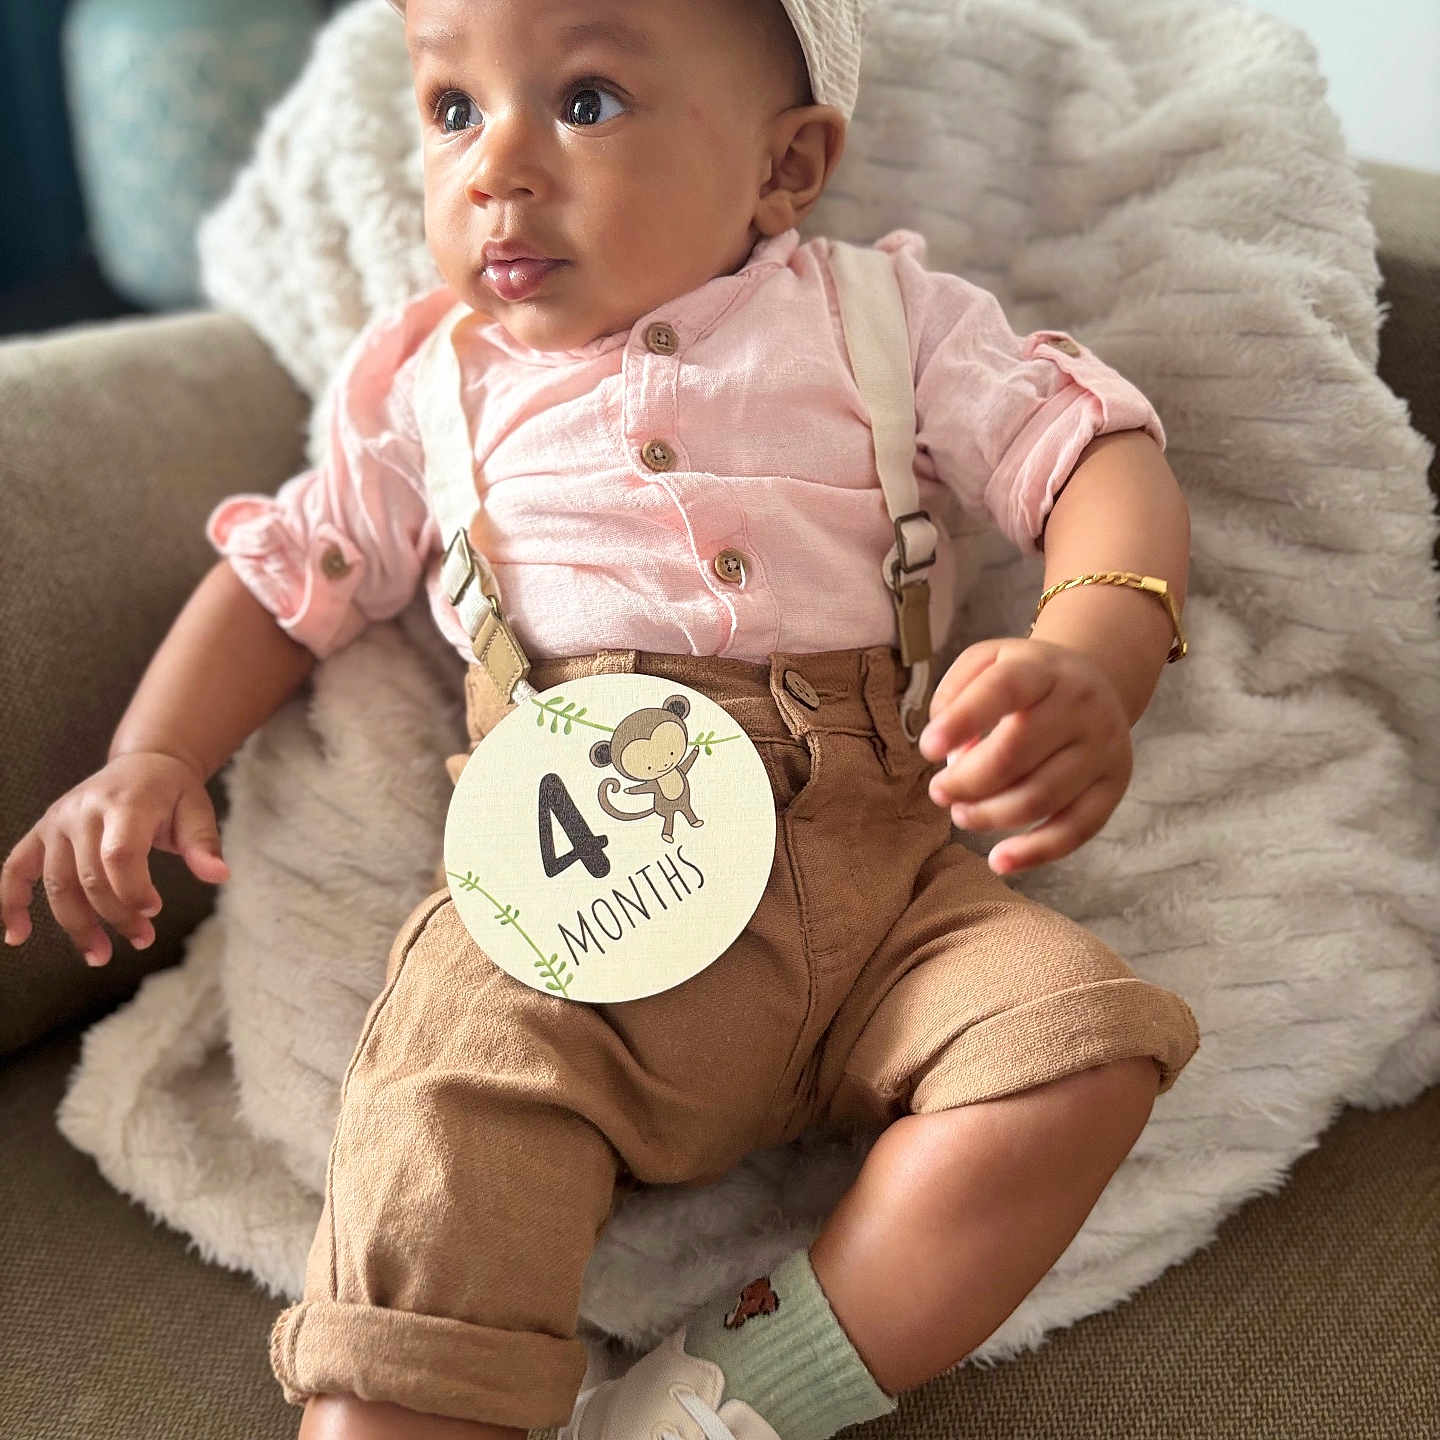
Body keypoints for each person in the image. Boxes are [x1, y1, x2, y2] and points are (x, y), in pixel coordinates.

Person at [1, 0, 1201, 1436]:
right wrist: (152, 756)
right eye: (452, 110)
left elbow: (1090, 452)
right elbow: (280, 582)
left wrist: (1093, 647)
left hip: (881, 882)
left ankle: (729, 1397)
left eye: (584, 102)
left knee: (1076, 1049)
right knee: (438, 1125)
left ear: (787, 168)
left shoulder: (878, 319)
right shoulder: (431, 387)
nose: (496, 167)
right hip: (559, 916)